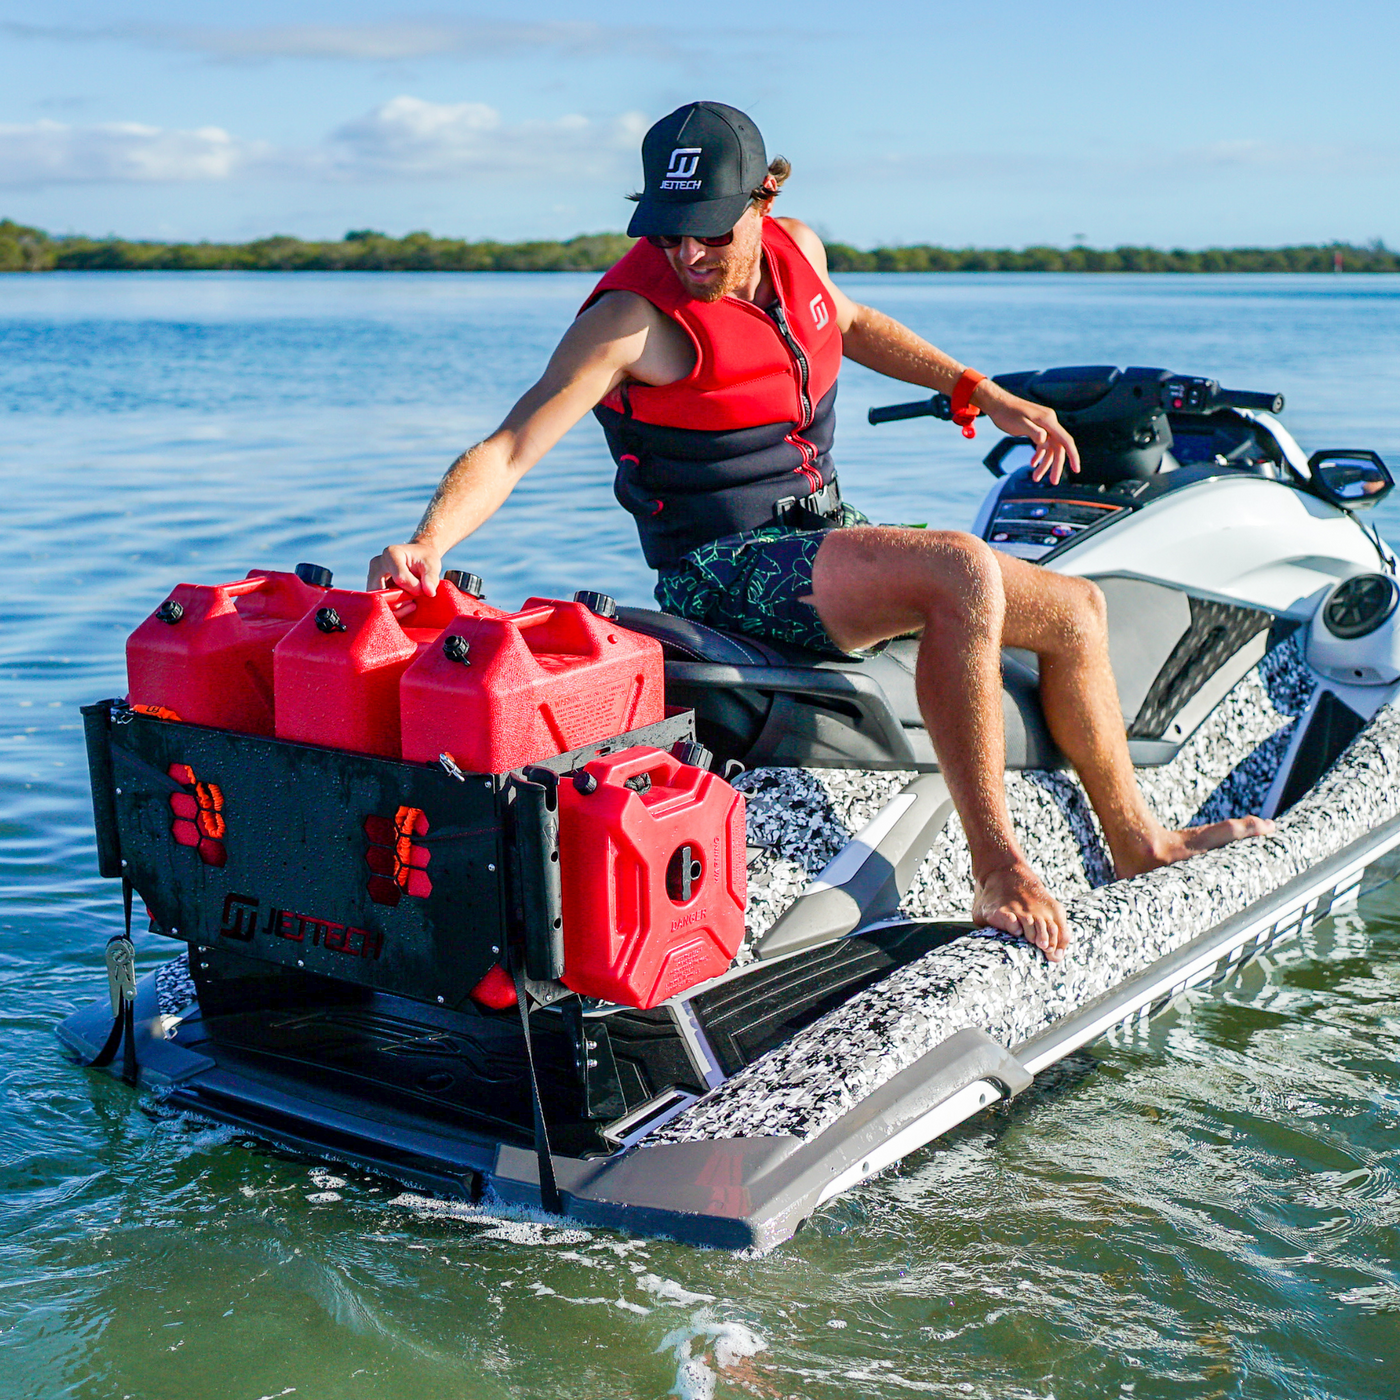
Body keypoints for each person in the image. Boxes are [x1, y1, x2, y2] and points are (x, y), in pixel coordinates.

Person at [369, 101, 1272, 964]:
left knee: (1077, 610)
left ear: (766, 199)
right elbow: (513, 443)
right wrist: (430, 540)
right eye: (668, 229)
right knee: (958, 570)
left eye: (711, 230)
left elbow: (852, 323)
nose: (688, 251)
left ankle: (1136, 841)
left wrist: (979, 391)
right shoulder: (628, 321)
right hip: (722, 567)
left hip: (822, 532)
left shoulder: (798, 252)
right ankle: (996, 868)